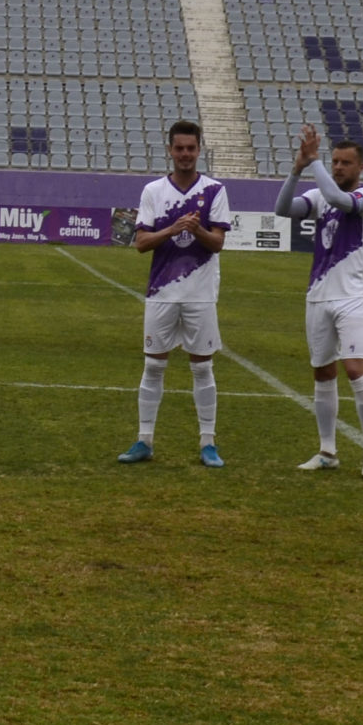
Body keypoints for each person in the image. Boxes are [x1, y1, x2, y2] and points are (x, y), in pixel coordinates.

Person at [120, 119, 230, 466]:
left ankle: (208, 443)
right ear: (169, 150)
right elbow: (140, 243)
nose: (185, 154)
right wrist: (172, 228)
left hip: (200, 294)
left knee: (202, 369)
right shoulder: (154, 191)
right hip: (161, 292)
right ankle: (144, 440)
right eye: (179, 148)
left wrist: (195, 229)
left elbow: (217, 244)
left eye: (191, 148)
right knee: (153, 366)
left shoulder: (214, 191)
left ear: (199, 151)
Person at [277, 123, 363, 479]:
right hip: (318, 296)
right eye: (335, 162)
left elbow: (340, 200)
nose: (338, 168)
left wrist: (314, 161)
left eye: (345, 163)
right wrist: (297, 169)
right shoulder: (319, 197)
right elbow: (282, 209)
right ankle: (327, 451)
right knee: (323, 373)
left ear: (361, 168)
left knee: (355, 369)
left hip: (352, 297)